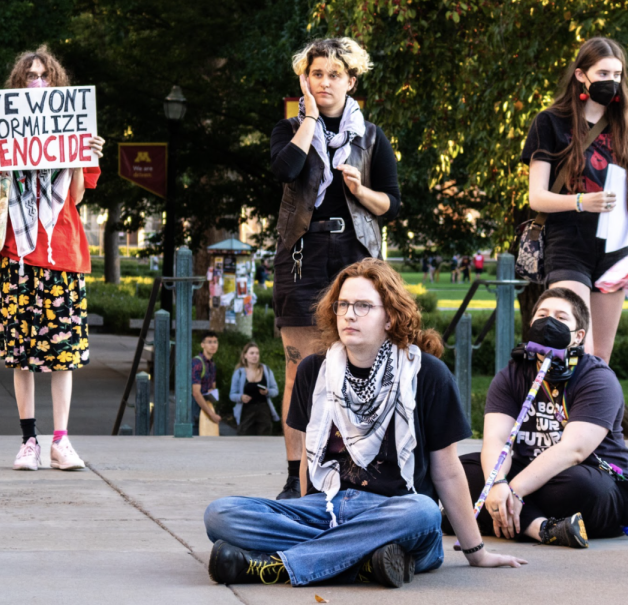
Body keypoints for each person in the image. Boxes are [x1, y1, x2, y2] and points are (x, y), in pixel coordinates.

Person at [204, 258, 526, 588]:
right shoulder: (314, 371)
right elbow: (308, 460)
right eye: (342, 304)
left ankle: (278, 565)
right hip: (324, 507)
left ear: (390, 317)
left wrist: (476, 552)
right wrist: (306, 506)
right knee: (221, 514)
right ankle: (365, 563)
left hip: (396, 514)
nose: (349, 314)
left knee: (425, 512)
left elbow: (447, 469)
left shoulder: (427, 374)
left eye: (363, 306)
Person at [270, 37, 402, 499]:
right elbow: (286, 171)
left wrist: (361, 191)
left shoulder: (371, 137)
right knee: (300, 371)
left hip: (355, 259)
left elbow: (390, 204)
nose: (324, 82)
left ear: (351, 81)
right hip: (302, 258)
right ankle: (296, 480)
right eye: (316, 73)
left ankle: (355, 469)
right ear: (305, 79)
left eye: (333, 74)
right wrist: (308, 117)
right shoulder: (290, 128)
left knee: (356, 367)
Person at [0, 45, 105, 471]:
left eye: (44, 75)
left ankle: (61, 441)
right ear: (18, 84)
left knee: (63, 352)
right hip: (19, 252)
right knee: (20, 352)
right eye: (30, 75)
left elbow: (76, 197)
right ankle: (30, 441)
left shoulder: (75, 132)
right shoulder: (1, 132)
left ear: (56, 84)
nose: (38, 81)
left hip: (63, 252)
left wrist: (82, 156)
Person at [452, 287, 628, 547]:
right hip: (527, 471)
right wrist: (497, 482)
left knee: (579, 486)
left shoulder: (597, 378)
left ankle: (479, 516)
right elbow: (496, 440)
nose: (549, 321)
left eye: (561, 317)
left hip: (585, 477)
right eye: (542, 314)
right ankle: (543, 528)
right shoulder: (511, 375)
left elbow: (573, 451)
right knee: (461, 471)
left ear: (578, 336)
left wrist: (512, 491)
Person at [522, 37, 628, 361]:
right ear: (581, 75)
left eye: (618, 75)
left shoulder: (623, 124)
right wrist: (582, 201)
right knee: (578, 351)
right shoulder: (551, 122)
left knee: (600, 360)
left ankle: (596, 413)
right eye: (604, 73)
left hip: (614, 246)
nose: (612, 83)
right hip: (569, 244)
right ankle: (564, 412)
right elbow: (536, 197)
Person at [229, 342, 279, 436]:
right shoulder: (239, 373)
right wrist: (241, 397)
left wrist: (267, 392)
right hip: (246, 411)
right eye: (252, 353)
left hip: (264, 411)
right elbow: (232, 395)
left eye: (257, 353)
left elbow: (275, 390)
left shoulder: (266, 370)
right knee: (245, 439)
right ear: (245, 355)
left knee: (265, 439)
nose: (255, 356)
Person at [192, 334, 222, 430]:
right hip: (194, 409)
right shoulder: (197, 363)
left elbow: (212, 386)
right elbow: (196, 393)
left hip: (206, 406)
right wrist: (212, 414)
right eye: (209, 342)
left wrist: (212, 390)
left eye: (215, 342)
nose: (213, 345)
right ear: (202, 345)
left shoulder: (212, 364)